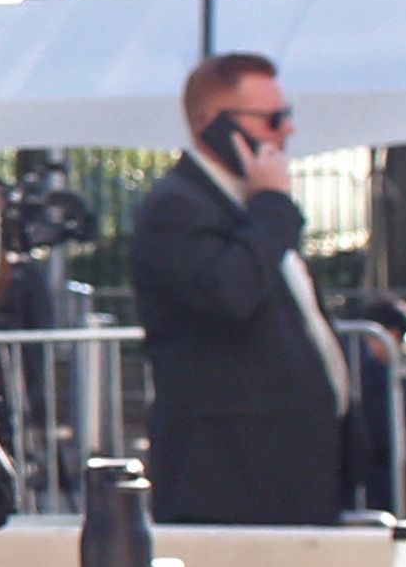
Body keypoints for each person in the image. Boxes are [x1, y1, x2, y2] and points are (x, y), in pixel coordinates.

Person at [128, 52, 351, 526]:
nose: (285, 131)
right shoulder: (178, 208)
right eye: (271, 120)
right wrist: (272, 205)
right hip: (230, 474)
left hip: (293, 467)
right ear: (212, 123)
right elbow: (232, 293)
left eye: (285, 116)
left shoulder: (246, 206)